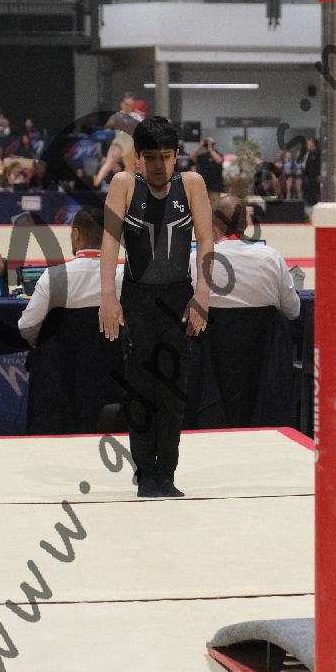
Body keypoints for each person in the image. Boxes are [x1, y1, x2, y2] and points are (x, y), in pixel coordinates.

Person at [99, 116, 212, 498]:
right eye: (151, 158)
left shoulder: (191, 184)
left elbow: (206, 242)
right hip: (138, 299)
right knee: (140, 391)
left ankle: (168, 473)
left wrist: (202, 295)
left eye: (166, 157)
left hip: (178, 298)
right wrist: (108, 297)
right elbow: (110, 242)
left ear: (177, 155)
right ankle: (146, 474)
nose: (160, 166)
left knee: (172, 392)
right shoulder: (124, 184)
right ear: (138, 159)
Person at [18, 207, 122, 345]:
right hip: (113, 356)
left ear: (75, 234)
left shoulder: (53, 277)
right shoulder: (125, 277)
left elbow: (27, 327)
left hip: (62, 356)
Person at [191, 195, 301, 318]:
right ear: (246, 224)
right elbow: (293, 312)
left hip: (211, 330)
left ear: (212, 226)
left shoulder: (196, 259)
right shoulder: (272, 258)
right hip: (262, 331)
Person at [93, 93, 142, 188]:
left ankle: (125, 185)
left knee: (130, 169)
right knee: (109, 162)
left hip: (130, 148)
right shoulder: (117, 116)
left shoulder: (136, 117)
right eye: (126, 104)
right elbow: (107, 128)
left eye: (130, 105)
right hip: (119, 144)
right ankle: (98, 178)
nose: (128, 107)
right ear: (122, 104)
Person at [190, 137, 225, 203]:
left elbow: (219, 161)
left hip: (214, 187)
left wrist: (210, 149)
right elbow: (191, 157)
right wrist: (200, 146)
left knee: (214, 206)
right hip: (202, 186)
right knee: (201, 205)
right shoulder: (202, 156)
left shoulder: (218, 154)